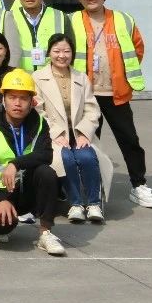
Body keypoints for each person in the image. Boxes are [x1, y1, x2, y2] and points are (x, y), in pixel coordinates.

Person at [68, 0, 152, 208]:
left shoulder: (123, 20)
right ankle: (89, 189)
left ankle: (139, 185)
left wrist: (121, 73)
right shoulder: (72, 21)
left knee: (129, 140)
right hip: (86, 94)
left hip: (115, 92)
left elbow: (137, 49)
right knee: (86, 143)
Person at [0, 69, 65, 256]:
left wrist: (15, 164)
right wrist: (0, 198)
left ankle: (45, 233)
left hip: (26, 188)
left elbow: (46, 155)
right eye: (12, 97)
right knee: (3, 227)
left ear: (31, 102)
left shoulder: (39, 123)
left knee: (47, 173)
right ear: (3, 99)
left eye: (23, 98)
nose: (18, 103)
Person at [33, 33, 109, 223]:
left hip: (78, 132)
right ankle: (75, 204)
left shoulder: (81, 77)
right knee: (65, 157)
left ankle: (93, 204)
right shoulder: (38, 78)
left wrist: (84, 133)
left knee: (87, 156)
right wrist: (55, 133)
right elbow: (37, 111)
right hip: (54, 135)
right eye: (57, 51)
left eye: (66, 51)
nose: (62, 55)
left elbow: (92, 108)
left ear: (72, 53)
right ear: (49, 52)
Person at [1, 0, 69, 71]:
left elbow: (70, 52)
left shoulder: (60, 16)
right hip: (20, 79)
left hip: (53, 79)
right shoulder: (8, 18)